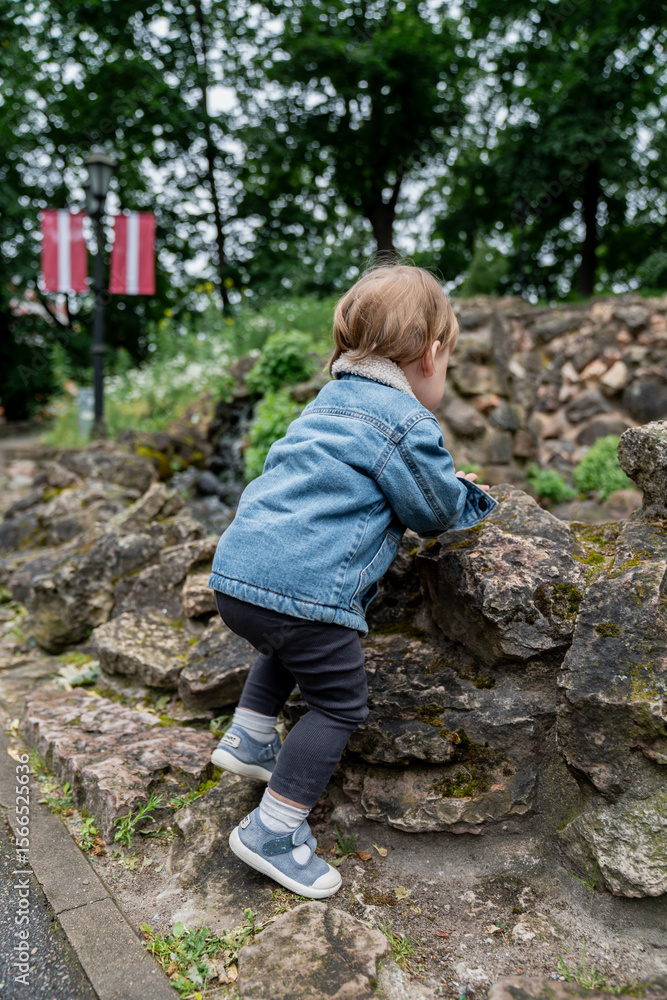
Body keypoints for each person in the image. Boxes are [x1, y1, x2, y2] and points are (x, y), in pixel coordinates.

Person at [206, 263, 498, 899]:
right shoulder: (404, 420)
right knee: (338, 702)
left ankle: (250, 734)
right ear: (431, 354)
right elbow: (434, 510)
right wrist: (468, 495)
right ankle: (273, 832)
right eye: (446, 360)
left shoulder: (325, 403)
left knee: (287, 640)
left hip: (236, 578)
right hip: (307, 591)